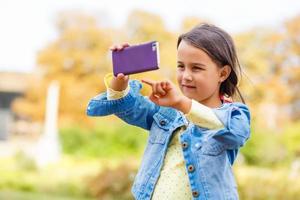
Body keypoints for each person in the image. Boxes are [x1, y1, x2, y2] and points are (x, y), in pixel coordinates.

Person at [86, 23, 251, 200]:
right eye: (181, 66)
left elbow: (235, 132)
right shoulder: (169, 113)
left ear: (223, 73)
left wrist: (181, 103)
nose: (186, 76)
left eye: (196, 68)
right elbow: (128, 107)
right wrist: (120, 80)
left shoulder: (233, 115)